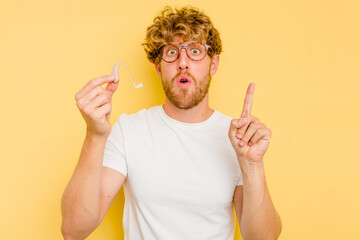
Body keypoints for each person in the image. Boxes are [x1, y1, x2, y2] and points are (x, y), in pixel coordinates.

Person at [61, 6, 282, 240]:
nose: (183, 62)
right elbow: (74, 230)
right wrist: (94, 135)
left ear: (213, 64)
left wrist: (252, 164)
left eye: (195, 51)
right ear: (158, 67)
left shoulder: (238, 139)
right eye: (171, 53)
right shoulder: (129, 130)